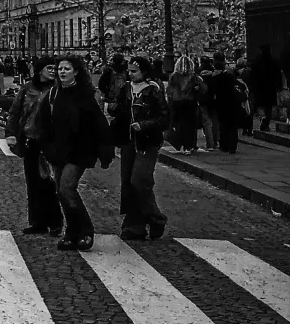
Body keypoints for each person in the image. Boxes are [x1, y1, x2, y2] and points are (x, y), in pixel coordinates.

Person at [32, 53, 113, 251]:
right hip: (58, 151)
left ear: (75, 71)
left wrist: (105, 150)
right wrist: (46, 147)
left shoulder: (85, 95)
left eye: (66, 69)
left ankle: (86, 231)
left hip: (80, 151)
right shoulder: (53, 94)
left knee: (67, 188)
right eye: (59, 69)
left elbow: (99, 123)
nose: (62, 72)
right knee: (61, 192)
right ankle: (71, 232)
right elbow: (42, 122)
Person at [112, 54, 169, 241]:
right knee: (128, 182)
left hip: (147, 141)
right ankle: (134, 225)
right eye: (129, 71)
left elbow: (164, 118)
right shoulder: (126, 89)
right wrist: (113, 109)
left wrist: (144, 125)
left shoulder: (153, 90)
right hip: (128, 141)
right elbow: (120, 110)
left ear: (144, 72)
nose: (130, 74)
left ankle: (155, 218)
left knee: (140, 180)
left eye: (134, 71)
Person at [5, 55, 62, 235]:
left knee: (49, 183)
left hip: (50, 142)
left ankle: (56, 221)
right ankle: (38, 221)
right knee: (33, 183)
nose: (53, 71)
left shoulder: (58, 89)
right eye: (49, 68)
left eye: (54, 68)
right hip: (30, 140)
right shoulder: (27, 88)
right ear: (39, 70)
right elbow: (15, 112)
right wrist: (10, 134)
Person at [205, 52, 243, 154]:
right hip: (232, 101)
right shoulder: (230, 73)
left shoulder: (214, 76)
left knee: (223, 124)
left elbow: (211, 91)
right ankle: (232, 145)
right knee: (232, 124)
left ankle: (225, 145)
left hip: (221, 102)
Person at [166, 54, 203, 153]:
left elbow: (169, 91)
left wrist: (170, 102)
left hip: (177, 102)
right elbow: (204, 87)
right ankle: (189, 145)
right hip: (190, 102)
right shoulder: (194, 76)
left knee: (179, 124)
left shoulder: (174, 76)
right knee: (190, 125)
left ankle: (180, 143)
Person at [248, 43, 283, 133]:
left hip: (259, 87)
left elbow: (252, 75)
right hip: (270, 87)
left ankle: (255, 122)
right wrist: (279, 86)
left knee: (257, 106)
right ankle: (266, 123)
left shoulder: (257, 61)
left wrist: (251, 87)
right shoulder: (273, 61)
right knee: (269, 107)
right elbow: (278, 75)